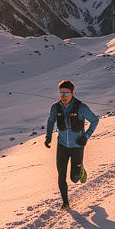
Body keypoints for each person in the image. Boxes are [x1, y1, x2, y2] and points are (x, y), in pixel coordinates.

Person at [45, 80, 99, 210]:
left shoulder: (81, 107)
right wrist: (49, 136)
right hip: (62, 145)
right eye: (61, 93)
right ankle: (65, 202)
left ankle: (80, 171)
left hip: (77, 146)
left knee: (74, 178)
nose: (63, 96)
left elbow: (95, 120)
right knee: (61, 175)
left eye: (66, 93)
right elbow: (51, 120)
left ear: (72, 93)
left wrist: (86, 136)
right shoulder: (55, 107)